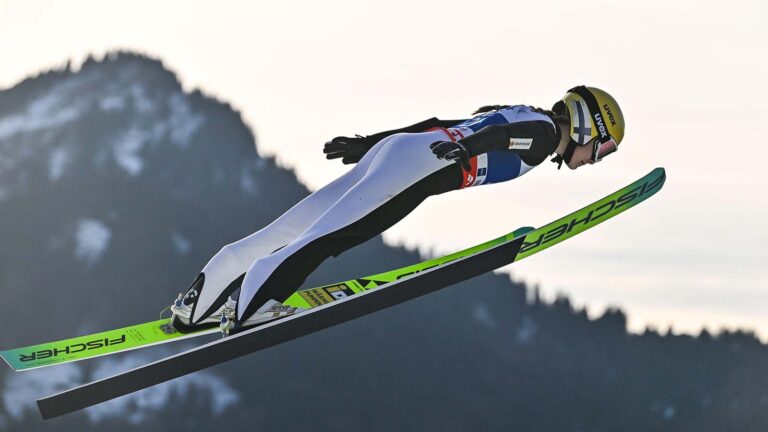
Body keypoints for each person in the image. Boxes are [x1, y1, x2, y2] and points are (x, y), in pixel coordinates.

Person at [170, 85, 625, 334]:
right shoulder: (545, 136)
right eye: (601, 149)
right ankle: (251, 305)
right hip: (418, 167)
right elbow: (500, 138)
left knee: (291, 227)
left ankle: (197, 305)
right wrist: (466, 148)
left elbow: (441, 123)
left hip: (403, 151)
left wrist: (371, 143)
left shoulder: (523, 111)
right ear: (589, 127)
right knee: (329, 236)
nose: (594, 159)